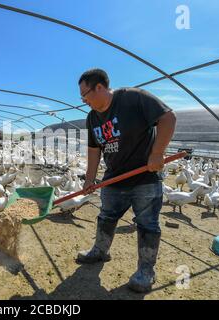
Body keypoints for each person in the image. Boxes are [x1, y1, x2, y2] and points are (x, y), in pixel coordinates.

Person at [78, 68, 176, 293]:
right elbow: (94, 149)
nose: (84, 101)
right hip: (113, 178)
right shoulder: (92, 117)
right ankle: (100, 250)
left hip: (145, 177)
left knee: (147, 225)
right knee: (106, 216)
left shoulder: (133, 98)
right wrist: (90, 179)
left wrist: (157, 152)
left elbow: (168, 117)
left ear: (100, 87)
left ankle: (145, 272)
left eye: (86, 95)